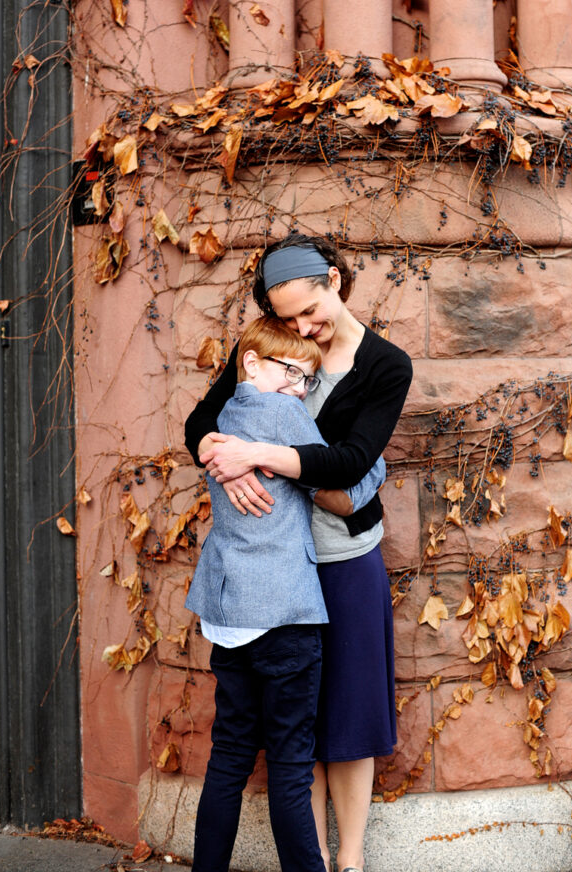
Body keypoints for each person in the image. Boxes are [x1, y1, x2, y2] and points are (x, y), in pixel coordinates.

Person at [185, 234, 413, 872]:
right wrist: (220, 461)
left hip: (341, 559)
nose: (301, 329)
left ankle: (353, 858)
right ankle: (309, 853)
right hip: (274, 570)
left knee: (351, 712)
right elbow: (203, 422)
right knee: (298, 732)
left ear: (335, 282)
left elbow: (350, 464)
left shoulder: (384, 366)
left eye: (309, 313)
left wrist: (255, 455)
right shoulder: (270, 352)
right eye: (286, 320)